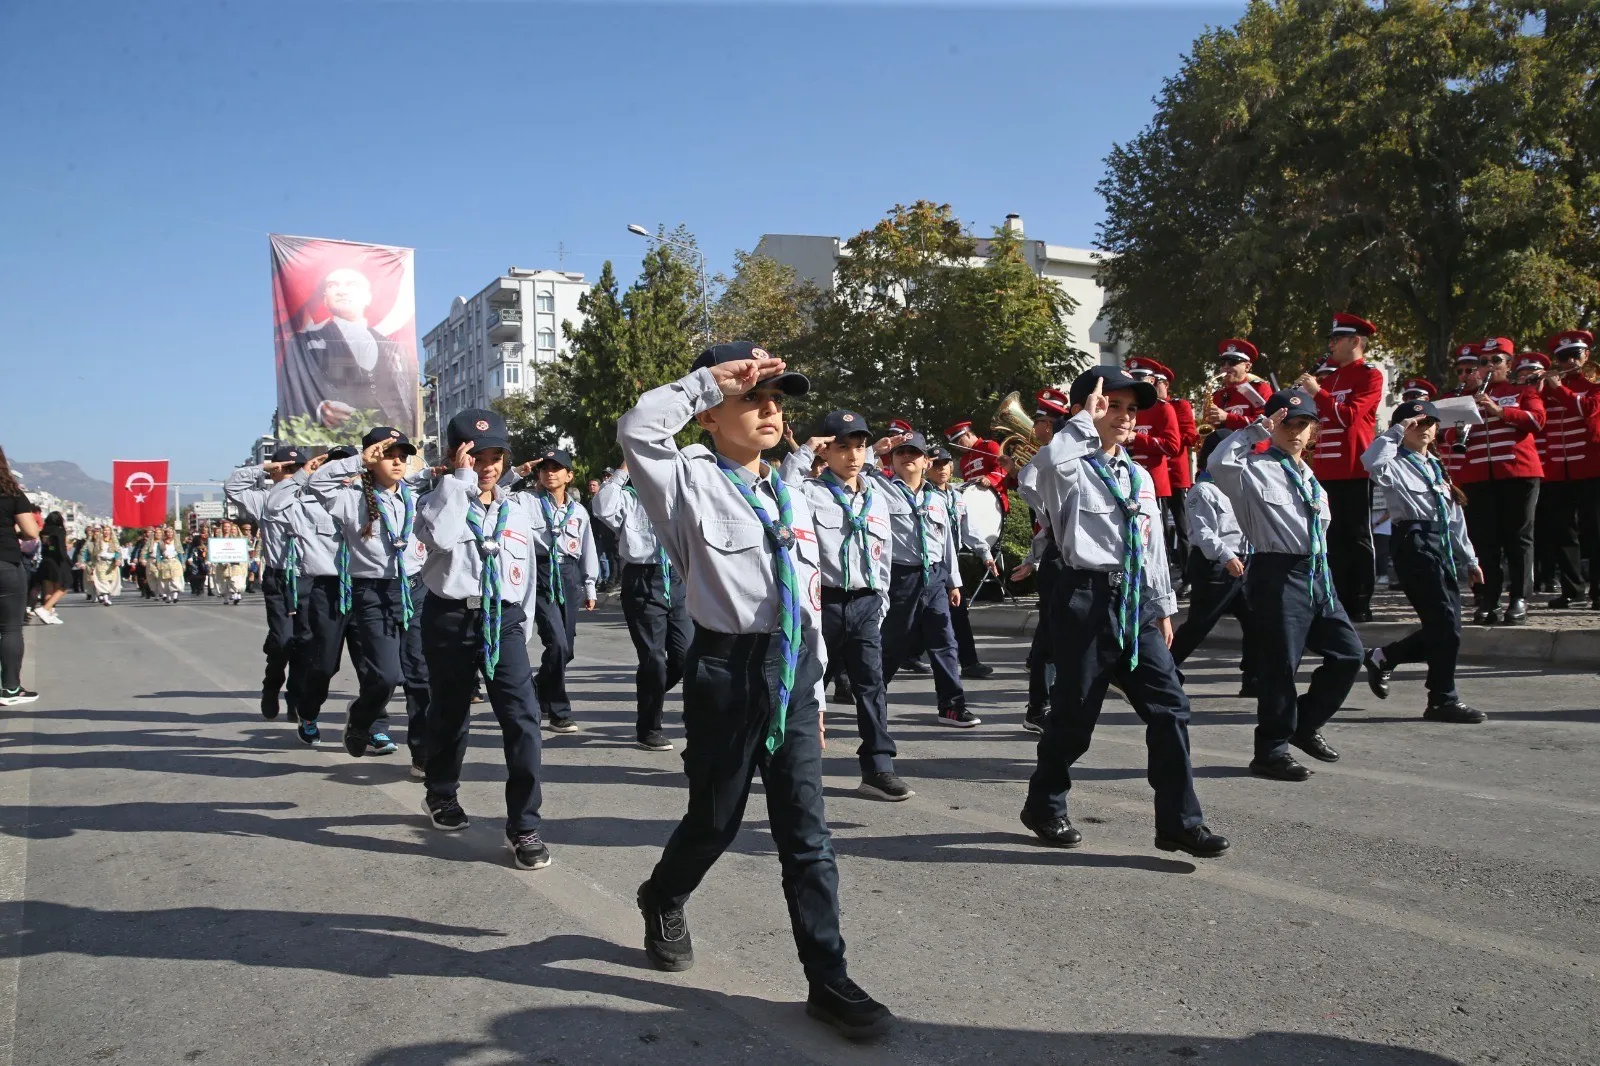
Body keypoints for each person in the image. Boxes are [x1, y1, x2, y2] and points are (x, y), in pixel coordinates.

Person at [618, 342, 892, 1040]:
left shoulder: (792, 492)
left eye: (777, 399)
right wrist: (706, 381)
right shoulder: (684, 481)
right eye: (753, 398)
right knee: (716, 819)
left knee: (808, 834)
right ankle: (663, 895)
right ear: (711, 415)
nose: (771, 409)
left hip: (793, 670)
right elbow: (638, 428)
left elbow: (807, 597)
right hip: (726, 671)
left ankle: (828, 977)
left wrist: (819, 691)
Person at [1020, 367, 1226, 858]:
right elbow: (1039, 473)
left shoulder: (1136, 476)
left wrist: (1162, 606)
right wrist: (1080, 423)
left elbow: (1151, 549)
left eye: (1132, 409)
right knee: (1075, 717)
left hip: (1134, 602)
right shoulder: (1065, 469)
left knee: (1170, 707)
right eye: (1113, 406)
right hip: (1084, 598)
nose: (1126, 418)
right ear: (1088, 408)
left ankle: (1179, 822)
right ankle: (1044, 804)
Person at [414, 409, 551, 871]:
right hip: (451, 618)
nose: (486, 465)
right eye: (475, 456)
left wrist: (523, 624)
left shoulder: (518, 508)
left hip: (503, 620)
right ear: (456, 456)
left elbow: (527, 572)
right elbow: (445, 537)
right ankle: (442, 792)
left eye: (495, 455)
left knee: (523, 720)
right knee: (450, 714)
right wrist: (458, 479)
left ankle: (524, 824)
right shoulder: (436, 502)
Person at [1209, 388, 1363, 782]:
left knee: (1348, 654)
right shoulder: (1253, 468)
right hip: (1276, 570)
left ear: (1313, 430)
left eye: (1303, 424)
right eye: (1286, 423)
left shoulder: (1309, 475)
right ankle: (1271, 752)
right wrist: (1256, 429)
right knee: (1281, 666)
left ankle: (1304, 724)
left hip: (1315, 573)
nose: (1295, 431)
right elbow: (1218, 461)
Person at [780, 411, 906, 801]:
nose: (853, 456)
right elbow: (781, 490)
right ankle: (783, 758)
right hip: (826, 603)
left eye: (860, 446)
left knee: (871, 686)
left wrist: (880, 600)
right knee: (804, 685)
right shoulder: (810, 491)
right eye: (842, 447)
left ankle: (878, 768)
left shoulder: (878, 495)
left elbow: (883, 554)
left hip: (866, 601)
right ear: (826, 451)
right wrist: (804, 451)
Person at [1360, 401, 1486, 723]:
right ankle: (1442, 699)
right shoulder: (1393, 462)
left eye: (1430, 421)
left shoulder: (1435, 467)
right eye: (1415, 423)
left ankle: (1384, 657)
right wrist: (1397, 431)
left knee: (1447, 627)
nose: (1425, 428)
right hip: (1413, 545)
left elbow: (1454, 518)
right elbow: (1371, 461)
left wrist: (1470, 559)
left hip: (1439, 545)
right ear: (1402, 428)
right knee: (1445, 624)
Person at [305, 428, 423, 759]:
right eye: (389, 454)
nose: (398, 461)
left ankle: (423, 752)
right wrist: (359, 461)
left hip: (415, 589)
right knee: (385, 676)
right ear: (372, 458)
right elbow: (317, 484)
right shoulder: (351, 500)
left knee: (420, 677)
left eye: (403, 455)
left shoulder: (415, 494)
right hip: (373, 592)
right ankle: (361, 719)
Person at [869, 429, 978, 728]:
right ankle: (873, 702)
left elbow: (946, 544)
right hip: (900, 577)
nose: (907, 457)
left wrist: (953, 581)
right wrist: (873, 450)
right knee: (892, 643)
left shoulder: (937, 497)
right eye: (900, 453)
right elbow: (855, 471)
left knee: (945, 642)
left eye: (913, 453)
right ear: (891, 460)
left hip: (935, 576)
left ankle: (952, 706)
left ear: (926, 461)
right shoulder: (879, 489)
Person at [592, 460, 692, 752]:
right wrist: (622, 468)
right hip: (643, 580)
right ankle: (649, 727)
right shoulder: (629, 498)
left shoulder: (679, 497)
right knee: (653, 660)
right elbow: (602, 507)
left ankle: (652, 694)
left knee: (686, 655)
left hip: (677, 577)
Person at [1448, 338, 1545, 625]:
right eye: (1483, 362)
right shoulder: (1466, 396)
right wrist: (1462, 420)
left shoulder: (1522, 391)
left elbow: (1537, 420)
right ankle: (1487, 599)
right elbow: (1449, 437)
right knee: (1484, 541)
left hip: (1519, 473)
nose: (1489, 366)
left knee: (1518, 538)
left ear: (1509, 365)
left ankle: (1519, 598)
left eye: (1496, 361)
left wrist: (1500, 410)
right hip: (1479, 476)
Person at [1299, 313, 1384, 622]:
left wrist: (1317, 392)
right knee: (1331, 537)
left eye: (1336, 340)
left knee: (1357, 535)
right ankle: (1335, 598)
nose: (1331, 345)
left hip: (1353, 467)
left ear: (1355, 341)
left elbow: (1350, 416)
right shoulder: (1331, 377)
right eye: (1331, 340)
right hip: (1325, 467)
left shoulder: (1369, 375)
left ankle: (1360, 600)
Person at [513, 449, 598, 734]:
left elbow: (588, 550)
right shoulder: (525, 501)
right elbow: (492, 492)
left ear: (569, 475)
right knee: (557, 644)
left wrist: (590, 585)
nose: (550, 472)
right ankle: (560, 710)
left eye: (557, 468)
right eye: (545, 468)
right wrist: (517, 472)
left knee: (567, 649)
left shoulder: (578, 511)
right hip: (539, 572)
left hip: (569, 574)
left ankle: (538, 690)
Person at [227, 447, 313, 722]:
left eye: (295, 469)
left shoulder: (311, 496)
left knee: (304, 642)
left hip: (307, 576)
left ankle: (296, 698)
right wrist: (264, 467)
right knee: (283, 640)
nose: (291, 474)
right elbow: (232, 487)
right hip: (278, 577)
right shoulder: (263, 499)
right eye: (286, 469)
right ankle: (271, 684)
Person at [1169, 431, 1256, 695]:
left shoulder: (1239, 488)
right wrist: (1226, 556)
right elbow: (1203, 532)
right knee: (1199, 624)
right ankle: (1160, 670)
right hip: (1215, 564)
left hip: (1244, 561)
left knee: (1257, 621)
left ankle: (1253, 677)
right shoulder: (1203, 490)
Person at [281, 446, 357, 744]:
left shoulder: (369, 499)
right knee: (326, 664)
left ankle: (374, 724)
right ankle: (309, 711)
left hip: (365, 587)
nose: (343, 472)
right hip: (328, 589)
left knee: (376, 667)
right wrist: (301, 475)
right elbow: (273, 506)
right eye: (335, 466)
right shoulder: (304, 504)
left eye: (348, 465)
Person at [285, 267, 418, 431]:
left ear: (367, 297)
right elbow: (293, 392)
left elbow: (406, 402)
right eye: (333, 285)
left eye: (351, 285)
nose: (342, 291)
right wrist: (318, 409)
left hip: (388, 441)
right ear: (325, 299)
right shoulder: (304, 343)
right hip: (337, 440)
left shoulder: (395, 350)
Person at [1012, 388, 1071, 734]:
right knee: (1050, 638)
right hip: (1059, 555)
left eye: (1036, 421)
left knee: (1057, 637)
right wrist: (1035, 558)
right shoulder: (1043, 462)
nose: (1033, 427)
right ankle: (1039, 707)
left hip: (1063, 555)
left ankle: (1051, 702)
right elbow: (1045, 517)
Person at [1535, 331, 1600, 610]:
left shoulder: (1594, 382)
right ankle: (1573, 589)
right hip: (1557, 469)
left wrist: (1558, 389)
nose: (1570, 360)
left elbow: (1588, 409)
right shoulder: (1549, 386)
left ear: (1586, 355)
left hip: (1591, 467)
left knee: (1595, 531)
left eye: (1576, 354)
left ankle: (1598, 590)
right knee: (1562, 532)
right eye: (1563, 357)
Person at [925, 447, 997, 681]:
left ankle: (969, 662)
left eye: (945, 464)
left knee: (957, 614)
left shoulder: (956, 496)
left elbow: (968, 529)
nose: (941, 469)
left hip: (951, 563)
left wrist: (985, 553)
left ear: (951, 467)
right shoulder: (923, 495)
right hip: (931, 565)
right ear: (927, 467)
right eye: (936, 464)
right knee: (918, 617)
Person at [0, 447, 41, 706]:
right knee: (10, 628)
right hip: (5, 562)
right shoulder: (11, 493)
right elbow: (31, 532)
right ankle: (11, 689)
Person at [1204, 339, 1274, 432]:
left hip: (1250, 445)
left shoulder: (1258, 388)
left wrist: (1228, 418)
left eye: (1232, 362)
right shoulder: (1217, 395)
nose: (1226, 366)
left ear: (1247, 367)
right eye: (1223, 363)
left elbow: (1264, 422)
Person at [29, 512, 69, 625]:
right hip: (57, 562)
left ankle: (49, 614)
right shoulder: (59, 531)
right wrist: (66, 559)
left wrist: (51, 549)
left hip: (46, 560)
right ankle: (45, 609)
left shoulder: (44, 532)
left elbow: (49, 546)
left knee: (48, 589)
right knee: (63, 586)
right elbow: (60, 548)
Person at [211, 521, 248, 605]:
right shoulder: (218, 539)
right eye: (225, 527)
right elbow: (216, 550)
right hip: (221, 561)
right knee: (223, 579)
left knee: (233, 577)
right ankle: (225, 597)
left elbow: (238, 549)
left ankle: (235, 593)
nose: (227, 528)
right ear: (222, 528)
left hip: (233, 562)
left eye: (228, 527)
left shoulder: (234, 538)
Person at [146, 528, 186, 602]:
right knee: (166, 581)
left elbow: (180, 553)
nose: (169, 534)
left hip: (174, 562)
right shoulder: (161, 543)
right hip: (165, 563)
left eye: (171, 532)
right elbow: (158, 554)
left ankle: (175, 596)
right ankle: (168, 596)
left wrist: (183, 563)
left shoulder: (176, 542)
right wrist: (158, 562)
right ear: (165, 533)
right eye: (168, 532)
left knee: (175, 579)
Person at [88, 528, 122, 605]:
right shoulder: (98, 542)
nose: (106, 532)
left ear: (110, 531)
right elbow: (94, 554)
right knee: (103, 580)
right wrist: (92, 566)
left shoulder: (114, 542)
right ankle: (106, 599)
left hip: (111, 564)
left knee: (110, 580)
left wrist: (118, 560)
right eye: (104, 530)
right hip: (101, 563)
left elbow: (118, 552)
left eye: (108, 530)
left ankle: (104, 595)